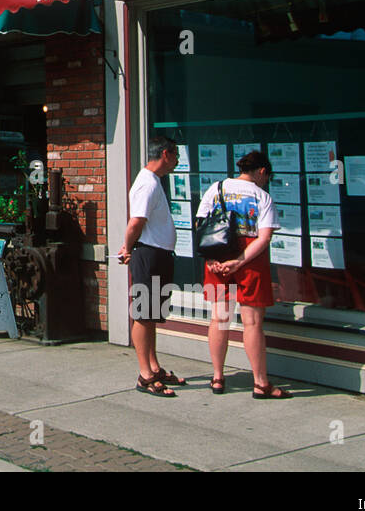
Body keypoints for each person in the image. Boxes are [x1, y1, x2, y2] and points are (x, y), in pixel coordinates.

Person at [196, 150, 291, 399]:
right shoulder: (263, 196)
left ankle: (217, 377)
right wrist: (239, 261)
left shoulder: (215, 188)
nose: (266, 180)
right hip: (251, 261)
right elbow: (265, 237)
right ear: (261, 171)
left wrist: (212, 259)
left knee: (219, 319)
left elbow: (201, 225)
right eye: (266, 176)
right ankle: (260, 383)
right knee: (252, 323)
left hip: (216, 257)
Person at [118, 135, 185, 397]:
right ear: (165, 154)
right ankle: (145, 375)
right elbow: (136, 222)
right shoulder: (146, 183)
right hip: (147, 254)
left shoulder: (155, 182)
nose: (177, 160)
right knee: (143, 314)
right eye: (176, 155)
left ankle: (154, 367)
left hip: (159, 254)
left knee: (152, 315)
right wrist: (127, 248)